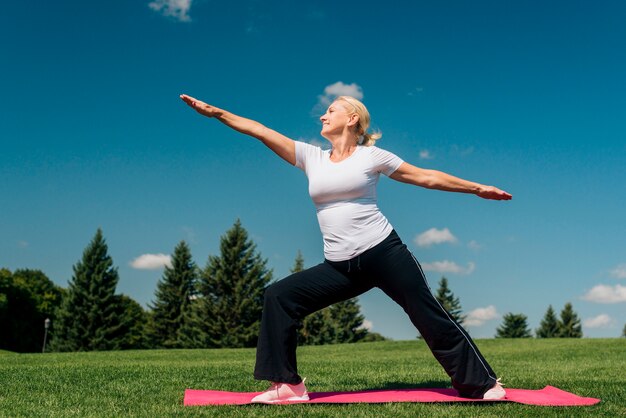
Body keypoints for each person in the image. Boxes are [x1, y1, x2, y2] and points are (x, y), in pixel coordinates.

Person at [180, 93, 511, 403]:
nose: (323, 116)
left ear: (352, 118)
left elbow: (425, 177)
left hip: (383, 253)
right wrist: (216, 113)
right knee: (279, 297)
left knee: (426, 313)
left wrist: (476, 188)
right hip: (340, 266)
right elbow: (259, 130)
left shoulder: (372, 156)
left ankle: (481, 384)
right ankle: (287, 386)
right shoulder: (312, 157)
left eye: (331, 110)